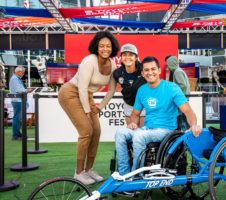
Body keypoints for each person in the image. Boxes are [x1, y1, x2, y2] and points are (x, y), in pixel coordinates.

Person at [115, 56, 202, 183]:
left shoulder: (171, 88)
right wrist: (133, 122)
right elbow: (135, 113)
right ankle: (124, 175)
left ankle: (135, 179)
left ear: (159, 70)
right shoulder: (142, 90)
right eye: (146, 70)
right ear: (142, 73)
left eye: (153, 69)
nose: (150, 73)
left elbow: (188, 111)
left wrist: (194, 124)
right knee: (120, 133)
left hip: (165, 130)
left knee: (139, 135)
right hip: (147, 129)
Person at [58, 31, 120, 185]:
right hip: (71, 93)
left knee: (96, 131)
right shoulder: (89, 61)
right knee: (86, 131)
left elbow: (112, 89)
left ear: (112, 48)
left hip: (88, 96)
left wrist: (100, 107)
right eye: (102, 46)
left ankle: (89, 169)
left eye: (108, 46)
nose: (105, 49)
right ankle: (78, 173)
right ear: (96, 47)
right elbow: (82, 88)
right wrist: (87, 110)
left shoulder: (112, 64)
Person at [113, 44, 146, 127]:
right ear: (121, 57)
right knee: (132, 133)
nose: (127, 57)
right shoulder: (117, 73)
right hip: (128, 105)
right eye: (124, 55)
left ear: (136, 57)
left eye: (131, 55)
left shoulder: (144, 70)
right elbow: (112, 87)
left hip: (143, 105)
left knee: (143, 133)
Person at [166, 55, 191, 132]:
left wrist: (173, 91)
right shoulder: (179, 70)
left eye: (168, 64)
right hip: (183, 98)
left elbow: (182, 85)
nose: (168, 67)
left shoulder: (177, 72)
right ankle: (186, 133)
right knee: (183, 118)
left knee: (182, 119)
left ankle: (184, 135)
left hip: (181, 99)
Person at [9, 66, 32, 140]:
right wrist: (27, 90)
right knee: (16, 118)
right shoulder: (15, 79)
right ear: (18, 72)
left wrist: (25, 90)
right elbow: (19, 89)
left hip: (18, 100)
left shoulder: (15, 78)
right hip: (18, 101)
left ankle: (17, 134)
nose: (23, 74)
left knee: (17, 118)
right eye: (23, 72)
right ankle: (16, 135)